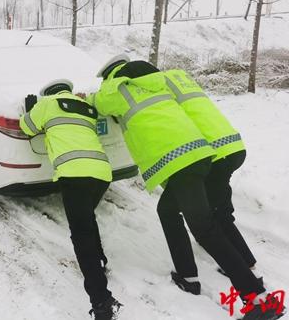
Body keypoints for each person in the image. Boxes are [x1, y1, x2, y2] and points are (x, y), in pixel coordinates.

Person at [89, 56, 280, 320]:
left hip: (179, 161)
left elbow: (98, 103)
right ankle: (187, 276)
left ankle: (259, 300)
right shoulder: (157, 82)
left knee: (206, 230)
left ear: (112, 75)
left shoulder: (118, 88)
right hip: (199, 153)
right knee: (167, 209)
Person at [19, 79, 121, 320]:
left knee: (81, 235)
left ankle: (101, 302)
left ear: (49, 94)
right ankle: (100, 261)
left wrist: (32, 108)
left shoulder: (47, 104)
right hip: (101, 173)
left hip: (74, 174)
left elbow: (26, 127)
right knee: (87, 218)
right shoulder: (86, 108)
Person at [164, 68, 260, 282]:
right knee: (221, 209)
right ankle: (247, 260)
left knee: (215, 214)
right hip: (233, 147)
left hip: (214, 155)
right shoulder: (186, 87)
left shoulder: (165, 96)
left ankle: (243, 268)